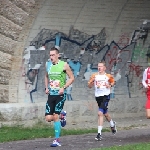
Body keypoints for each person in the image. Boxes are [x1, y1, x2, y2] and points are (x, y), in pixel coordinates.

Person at [45, 47, 74, 147]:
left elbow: (72, 78)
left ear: (58, 55)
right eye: (50, 55)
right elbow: (46, 76)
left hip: (60, 95)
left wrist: (63, 87)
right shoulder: (48, 65)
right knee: (48, 118)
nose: (51, 57)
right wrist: (46, 87)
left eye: (53, 55)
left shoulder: (64, 65)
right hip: (51, 94)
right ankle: (62, 115)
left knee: (55, 116)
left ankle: (56, 140)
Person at [88, 61, 117, 141]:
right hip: (98, 97)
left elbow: (113, 82)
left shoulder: (107, 76)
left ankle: (99, 134)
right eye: (98, 66)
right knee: (105, 113)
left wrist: (110, 85)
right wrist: (92, 82)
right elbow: (89, 86)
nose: (99, 68)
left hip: (106, 96)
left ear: (104, 68)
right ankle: (112, 124)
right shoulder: (94, 75)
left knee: (100, 113)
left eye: (101, 66)